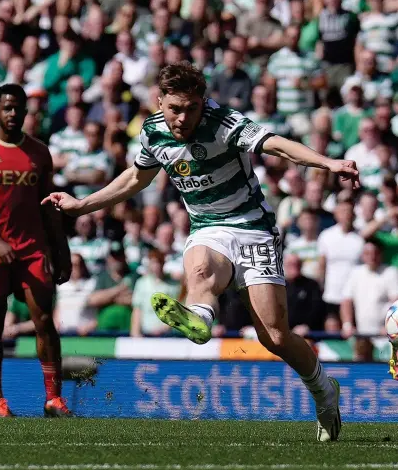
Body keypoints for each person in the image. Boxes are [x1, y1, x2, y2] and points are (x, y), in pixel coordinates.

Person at [43, 61, 362, 441]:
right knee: (200, 267)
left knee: (274, 337)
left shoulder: (223, 122)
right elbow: (136, 178)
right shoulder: (152, 133)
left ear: (203, 102)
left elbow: (275, 144)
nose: (182, 117)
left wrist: (328, 162)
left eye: (191, 108)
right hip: (207, 228)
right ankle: (199, 318)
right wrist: (82, 205)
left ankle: (325, 392)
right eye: (174, 108)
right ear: (159, 101)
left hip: (254, 229)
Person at [0, 84, 72, 417]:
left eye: (17, 108)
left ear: (25, 112)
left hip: (32, 248)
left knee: (44, 321)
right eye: (6, 108)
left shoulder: (39, 152)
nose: (12, 114)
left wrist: (61, 248)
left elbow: (48, 206)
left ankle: (53, 398)